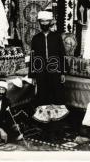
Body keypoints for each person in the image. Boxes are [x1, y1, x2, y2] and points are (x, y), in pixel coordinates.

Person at [28, 10, 68, 140]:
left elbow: (62, 55)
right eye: (42, 21)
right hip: (41, 74)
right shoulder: (36, 38)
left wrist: (62, 72)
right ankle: (45, 129)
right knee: (43, 98)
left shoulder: (56, 37)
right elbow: (33, 57)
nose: (44, 23)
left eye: (47, 21)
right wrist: (33, 75)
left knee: (56, 98)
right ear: (39, 22)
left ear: (50, 22)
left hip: (55, 72)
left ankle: (57, 129)